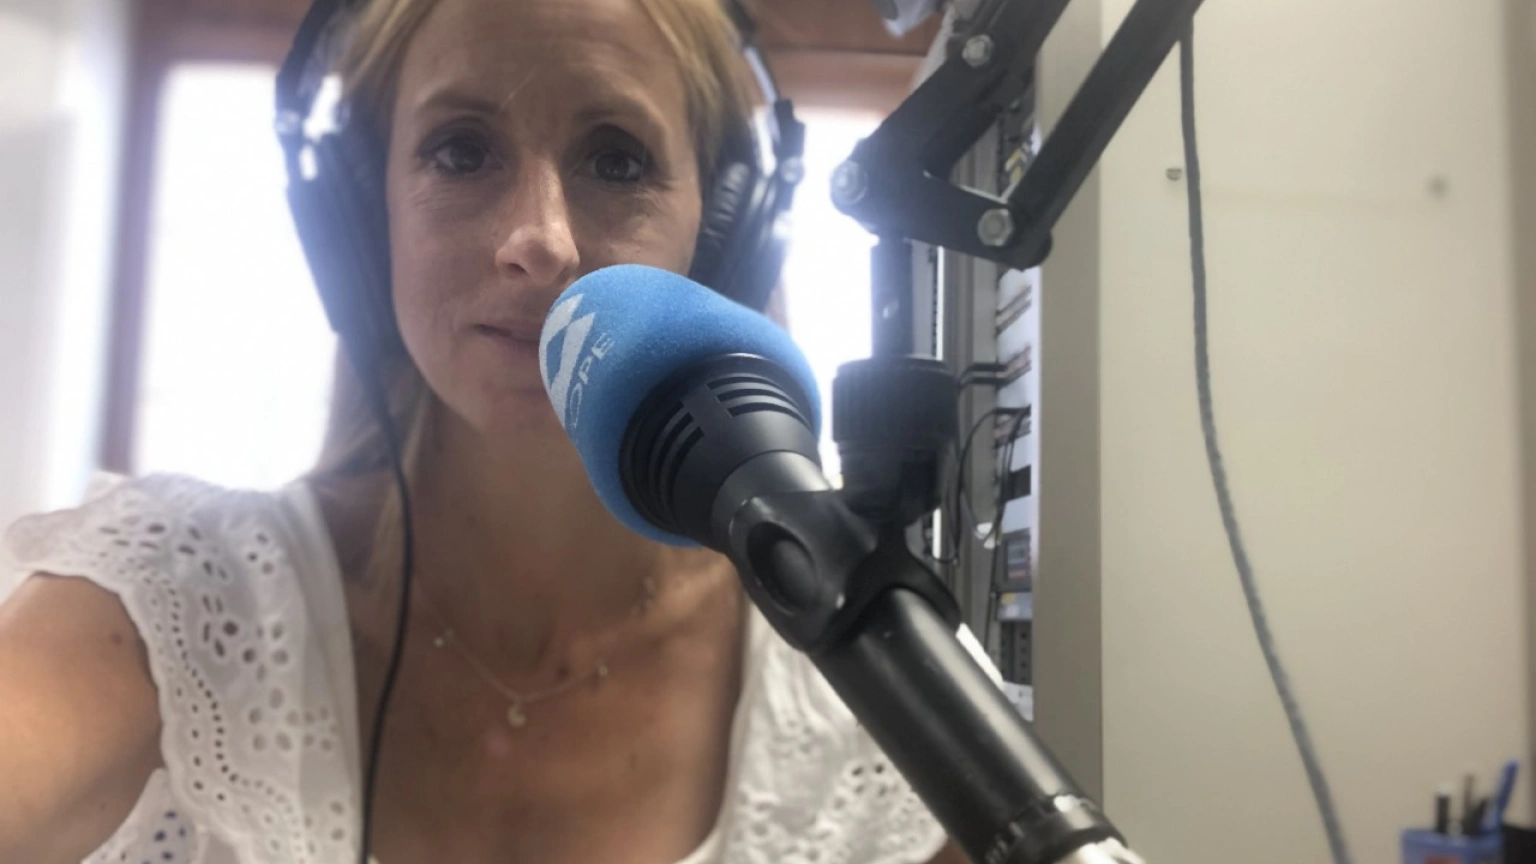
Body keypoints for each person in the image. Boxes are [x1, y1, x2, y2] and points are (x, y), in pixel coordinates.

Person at [0, 0, 983, 862]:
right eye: (461, 151)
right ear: (362, 217)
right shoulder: (167, 606)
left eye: (616, 158)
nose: (539, 242)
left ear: (725, 233)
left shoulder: (863, 680)